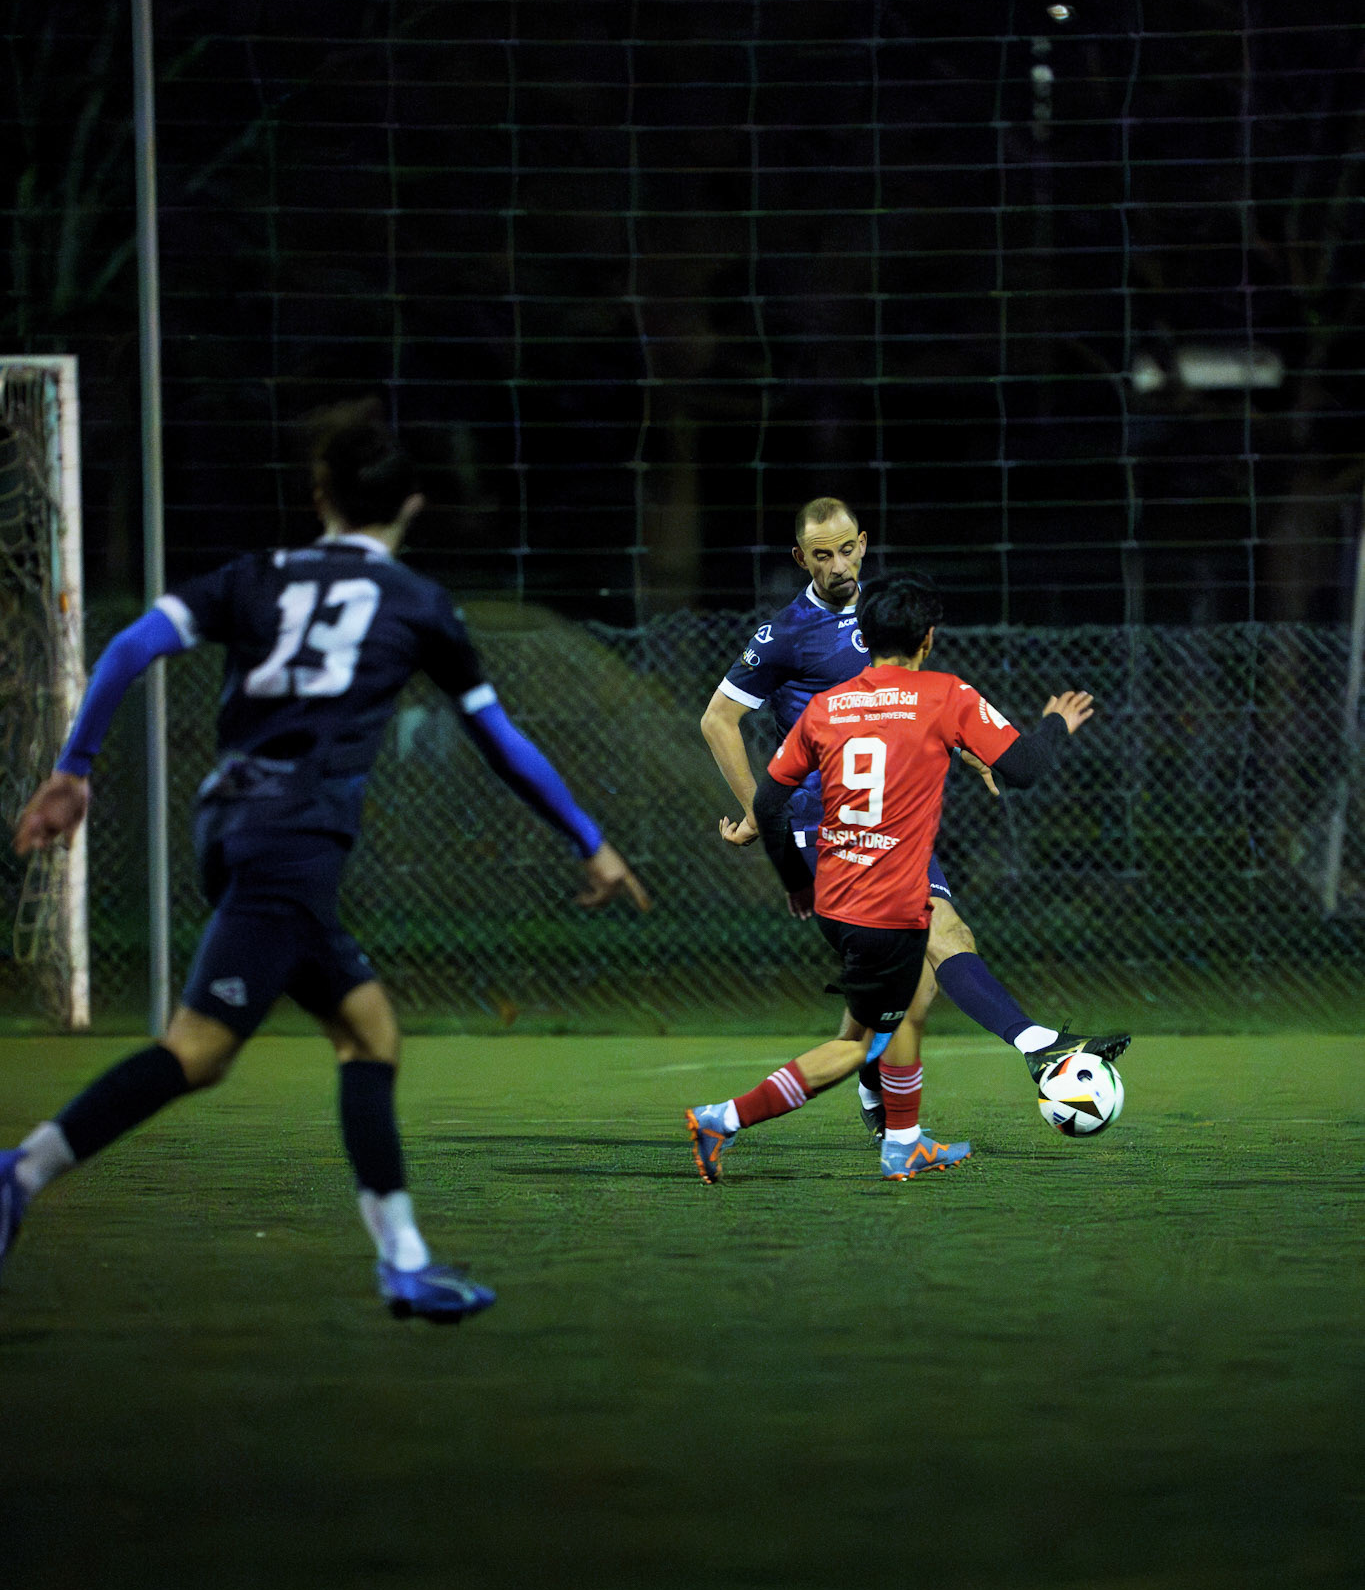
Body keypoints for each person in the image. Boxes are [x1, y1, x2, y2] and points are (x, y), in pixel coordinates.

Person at [1, 401, 648, 1320]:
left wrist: (75, 769)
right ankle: (21, 1174)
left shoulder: (255, 575)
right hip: (293, 843)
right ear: (412, 504)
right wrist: (589, 838)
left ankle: (405, 1261)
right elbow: (501, 742)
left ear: (320, 497)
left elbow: (130, 645)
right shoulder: (418, 604)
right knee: (198, 1052)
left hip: (228, 824)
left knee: (368, 1031)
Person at [698, 499, 1128, 1135]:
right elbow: (718, 720)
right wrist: (756, 810)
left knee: (910, 998)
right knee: (943, 933)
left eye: (847, 549)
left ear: (864, 543)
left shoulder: (884, 613)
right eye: (822, 555)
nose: (838, 565)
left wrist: (964, 747)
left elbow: (899, 711)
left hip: (894, 820)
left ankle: (873, 1115)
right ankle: (1036, 1045)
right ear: (800, 559)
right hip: (830, 826)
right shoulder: (786, 635)